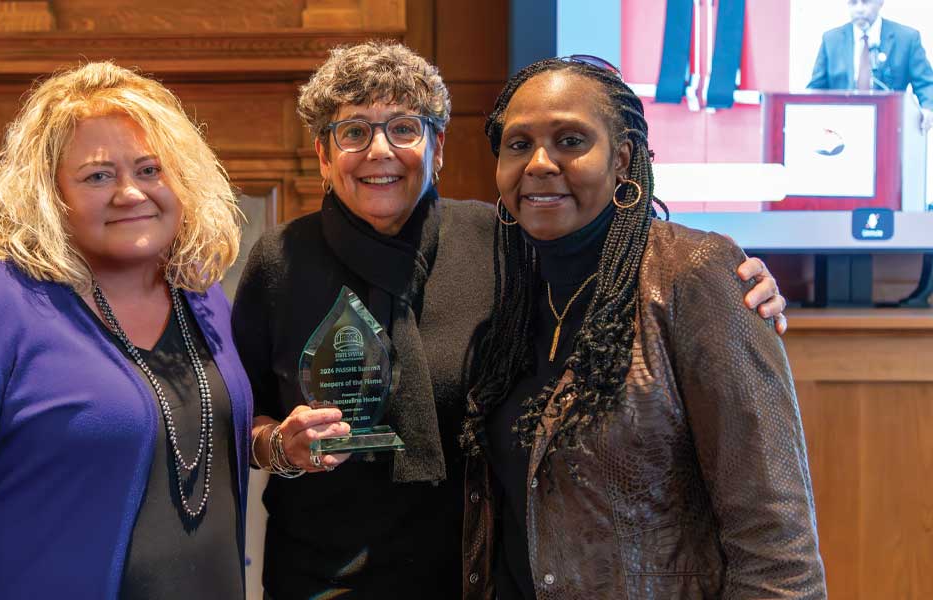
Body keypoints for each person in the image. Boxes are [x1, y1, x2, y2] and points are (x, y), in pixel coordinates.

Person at [230, 42, 789, 599]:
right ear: (325, 156)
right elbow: (239, 418)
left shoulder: (503, 244)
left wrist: (728, 280)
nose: (380, 150)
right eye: (352, 132)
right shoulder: (280, 260)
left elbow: (617, 258)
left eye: (404, 128)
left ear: (438, 146)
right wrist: (279, 446)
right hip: (319, 580)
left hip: (475, 577)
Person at [0, 62, 250, 599]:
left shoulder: (199, 294)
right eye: (98, 175)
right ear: (48, 194)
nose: (131, 193)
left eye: (151, 170)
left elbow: (179, 448)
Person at [461, 57, 827, 599]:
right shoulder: (506, 286)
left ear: (623, 160)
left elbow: (777, 552)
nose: (540, 163)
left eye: (570, 141)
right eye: (519, 145)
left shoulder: (695, 276)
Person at [808, 0, 933, 132]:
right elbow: (816, 88)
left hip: (889, 127)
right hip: (842, 127)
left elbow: (925, 83)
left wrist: (928, 108)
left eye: (865, 2)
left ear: (880, 3)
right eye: (853, 3)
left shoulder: (906, 38)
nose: (859, 9)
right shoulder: (831, 39)